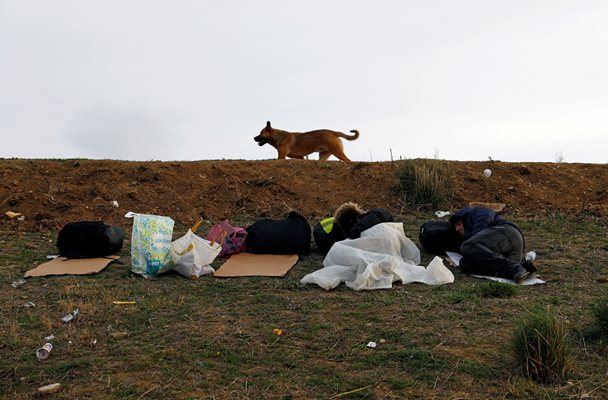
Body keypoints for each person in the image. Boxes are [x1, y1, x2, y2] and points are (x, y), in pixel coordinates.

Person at [448, 206, 536, 283]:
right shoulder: (471, 233)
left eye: (459, 224)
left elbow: (484, 218)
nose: (457, 228)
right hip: (510, 253)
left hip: (507, 233)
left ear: (464, 217)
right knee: (465, 264)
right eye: (455, 227)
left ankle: (514, 268)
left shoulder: (477, 212)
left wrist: (472, 243)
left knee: (467, 247)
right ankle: (522, 267)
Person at [313, 202, 393, 255]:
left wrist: (359, 226)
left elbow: (381, 213)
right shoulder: (332, 236)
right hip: (327, 229)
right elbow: (331, 251)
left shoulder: (366, 218)